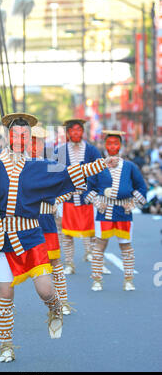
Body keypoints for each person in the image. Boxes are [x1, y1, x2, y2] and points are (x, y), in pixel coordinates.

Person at [0, 112, 118, 363]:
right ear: (7, 137)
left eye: (25, 135)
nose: (20, 138)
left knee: (44, 289)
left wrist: (102, 164)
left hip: (30, 234)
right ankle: (6, 345)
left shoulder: (37, 167)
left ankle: (54, 307)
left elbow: (68, 174)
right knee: (5, 294)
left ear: (29, 139)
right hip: (1, 237)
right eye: (15, 134)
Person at [84, 130, 147, 291]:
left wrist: (133, 203)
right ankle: (96, 279)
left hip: (123, 212)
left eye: (116, 143)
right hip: (104, 211)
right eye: (109, 143)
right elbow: (88, 188)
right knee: (99, 245)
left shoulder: (130, 166)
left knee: (126, 246)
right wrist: (97, 201)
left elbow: (141, 187)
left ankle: (128, 280)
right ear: (104, 146)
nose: (112, 146)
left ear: (121, 146)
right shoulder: (98, 166)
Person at [29, 125, 74, 316]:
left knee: (54, 262)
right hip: (22, 223)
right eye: (30, 141)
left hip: (45, 221)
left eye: (37, 142)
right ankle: (7, 303)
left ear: (42, 145)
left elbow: (70, 186)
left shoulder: (51, 165)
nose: (34, 146)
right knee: (13, 264)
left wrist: (57, 200)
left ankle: (62, 300)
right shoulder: (14, 165)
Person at [55, 119, 108, 275]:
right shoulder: (60, 150)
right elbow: (54, 173)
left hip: (87, 196)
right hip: (67, 197)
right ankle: (70, 263)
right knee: (66, 232)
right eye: (73, 130)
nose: (76, 132)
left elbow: (100, 172)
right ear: (68, 133)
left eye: (79, 129)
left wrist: (97, 193)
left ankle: (93, 256)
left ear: (83, 132)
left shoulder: (91, 150)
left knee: (92, 231)